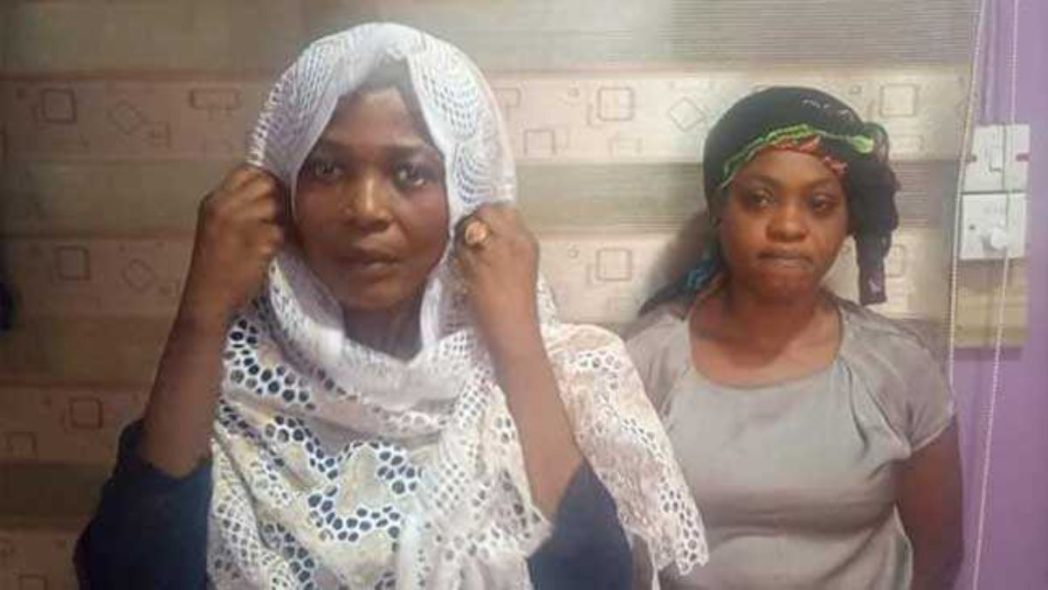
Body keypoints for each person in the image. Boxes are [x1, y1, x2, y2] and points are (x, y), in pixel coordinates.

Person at [76, 23, 706, 589]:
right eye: (327, 170)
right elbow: (127, 575)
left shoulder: (572, 373)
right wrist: (200, 315)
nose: (366, 210)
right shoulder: (230, 377)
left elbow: (595, 579)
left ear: (468, 198)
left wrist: (517, 348)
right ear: (280, 193)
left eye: (410, 173)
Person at [627, 87, 962, 589]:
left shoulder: (899, 367)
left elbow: (938, 556)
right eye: (759, 199)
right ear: (720, 208)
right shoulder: (645, 362)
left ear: (848, 221)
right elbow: (612, 551)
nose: (787, 226)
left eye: (820, 204)